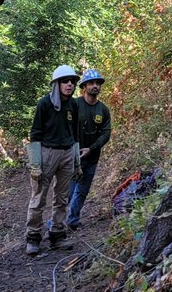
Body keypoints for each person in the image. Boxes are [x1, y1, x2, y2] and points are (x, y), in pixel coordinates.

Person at [26, 65, 80, 255]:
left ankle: (57, 235)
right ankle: (33, 237)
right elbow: (35, 133)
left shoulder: (73, 105)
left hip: (66, 154)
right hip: (47, 153)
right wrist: (35, 164)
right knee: (39, 196)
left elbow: (75, 134)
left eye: (72, 81)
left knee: (62, 197)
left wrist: (77, 162)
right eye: (65, 81)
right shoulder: (45, 104)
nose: (69, 84)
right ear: (56, 84)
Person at [66, 68, 112, 231]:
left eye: (97, 83)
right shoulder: (74, 104)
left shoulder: (103, 110)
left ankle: (72, 220)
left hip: (92, 157)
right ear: (84, 86)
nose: (95, 86)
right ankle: (55, 224)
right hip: (73, 157)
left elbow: (106, 134)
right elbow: (66, 127)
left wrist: (91, 149)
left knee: (82, 192)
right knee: (67, 193)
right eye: (91, 83)